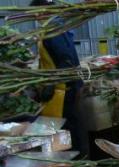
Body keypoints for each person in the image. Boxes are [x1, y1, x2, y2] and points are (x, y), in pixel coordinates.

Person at [31, 0, 89, 158]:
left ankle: (77, 163)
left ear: (43, 10)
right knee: (67, 127)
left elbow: (67, 60)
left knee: (69, 128)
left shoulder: (53, 29)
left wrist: (52, 84)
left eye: (36, 13)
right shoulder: (52, 27)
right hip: (61, 88)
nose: (36, 17)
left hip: (64, 89)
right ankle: (72, 160)